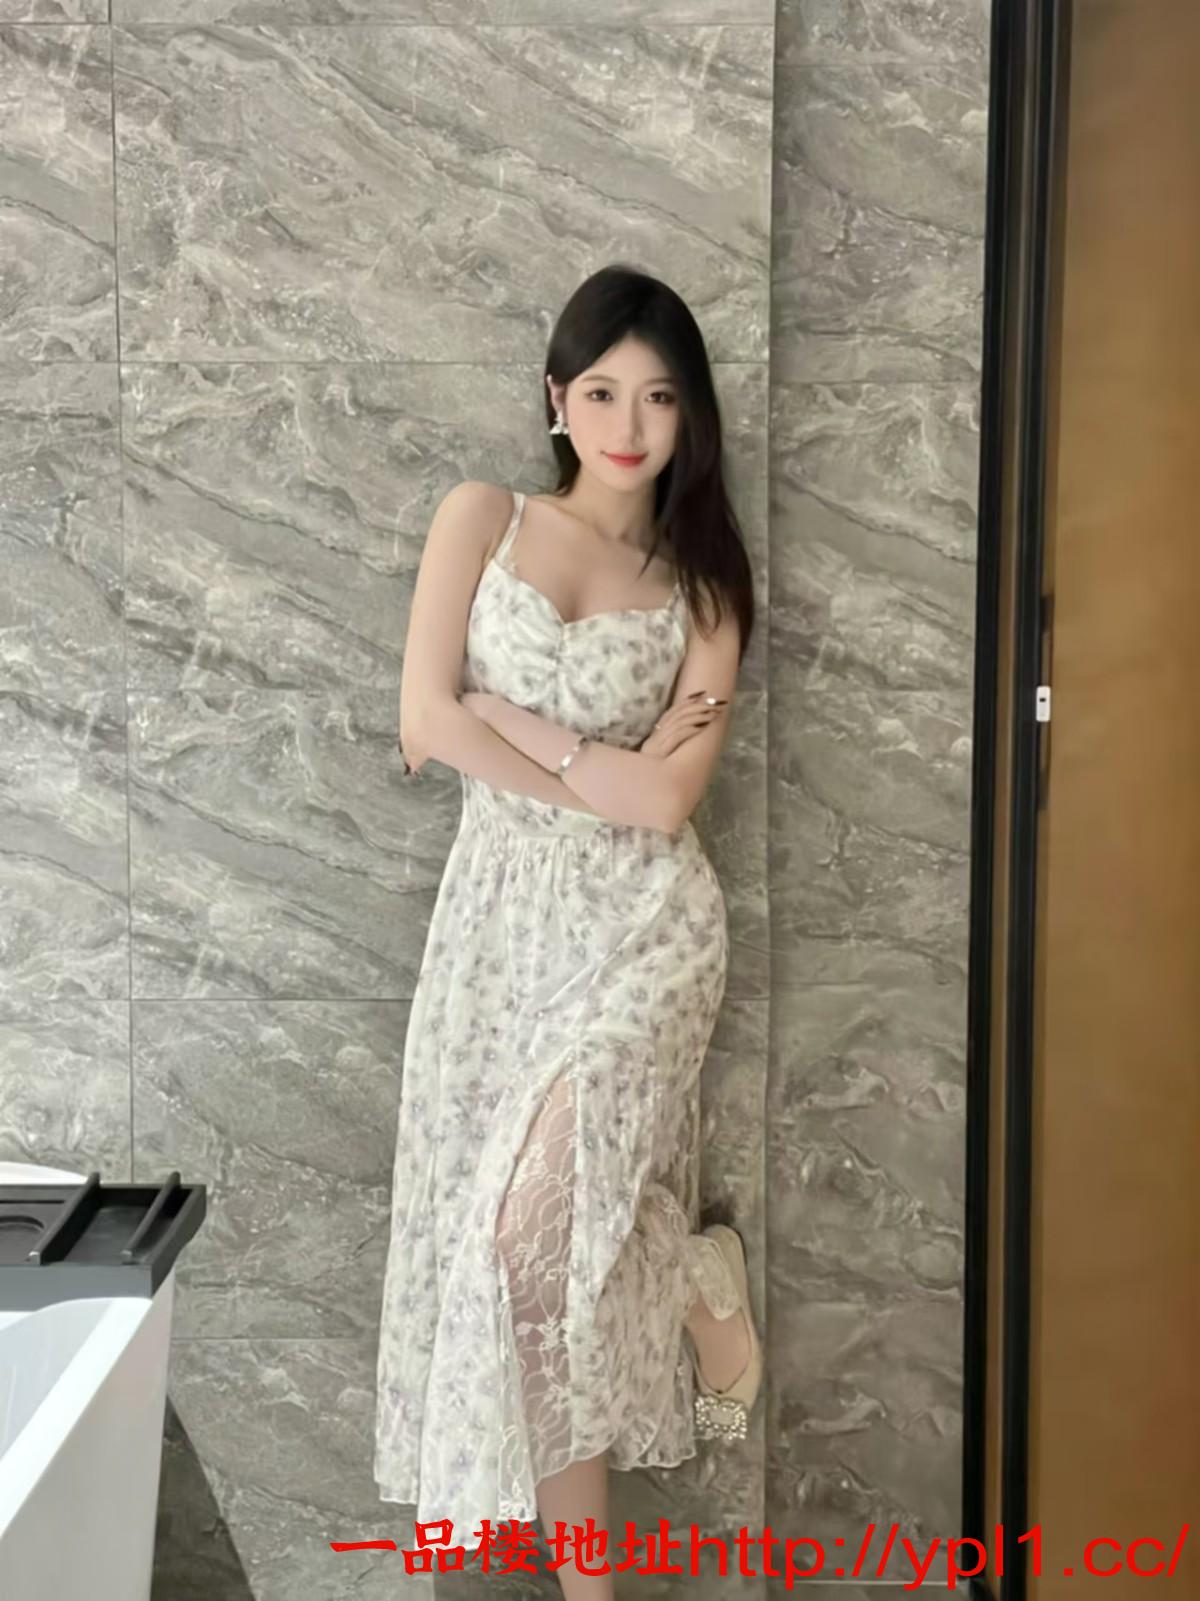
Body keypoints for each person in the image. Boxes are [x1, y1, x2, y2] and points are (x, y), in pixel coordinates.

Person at [373, 264, 763, 1598]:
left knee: (530, 1232)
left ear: (690, 414)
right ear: (556, 395)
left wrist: (516, 728)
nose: (628, 424)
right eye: (602, 392)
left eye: (659, 397)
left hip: (649, 932)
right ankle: (690, 1274)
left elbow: (666, 803)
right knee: (519, 1257)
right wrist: (591, 763)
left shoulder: (704, 589)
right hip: (498, 930)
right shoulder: (481, 519)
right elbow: (424, 717)